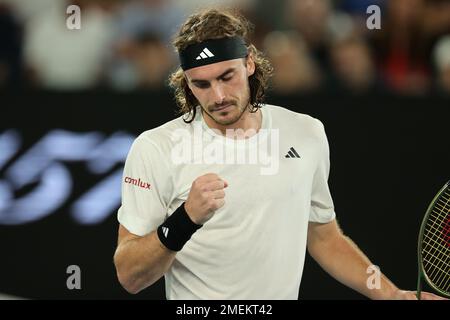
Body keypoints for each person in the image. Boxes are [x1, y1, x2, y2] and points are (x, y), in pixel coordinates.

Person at [113, 8, 443, 300]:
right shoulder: (155, 148)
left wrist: (392, 295)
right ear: (186, 82)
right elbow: (130, 276)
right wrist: (184, 219)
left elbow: (324, 237)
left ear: (249, 63)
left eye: (227, 77)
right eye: (201, 84)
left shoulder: (307, 132)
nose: (218, 96)